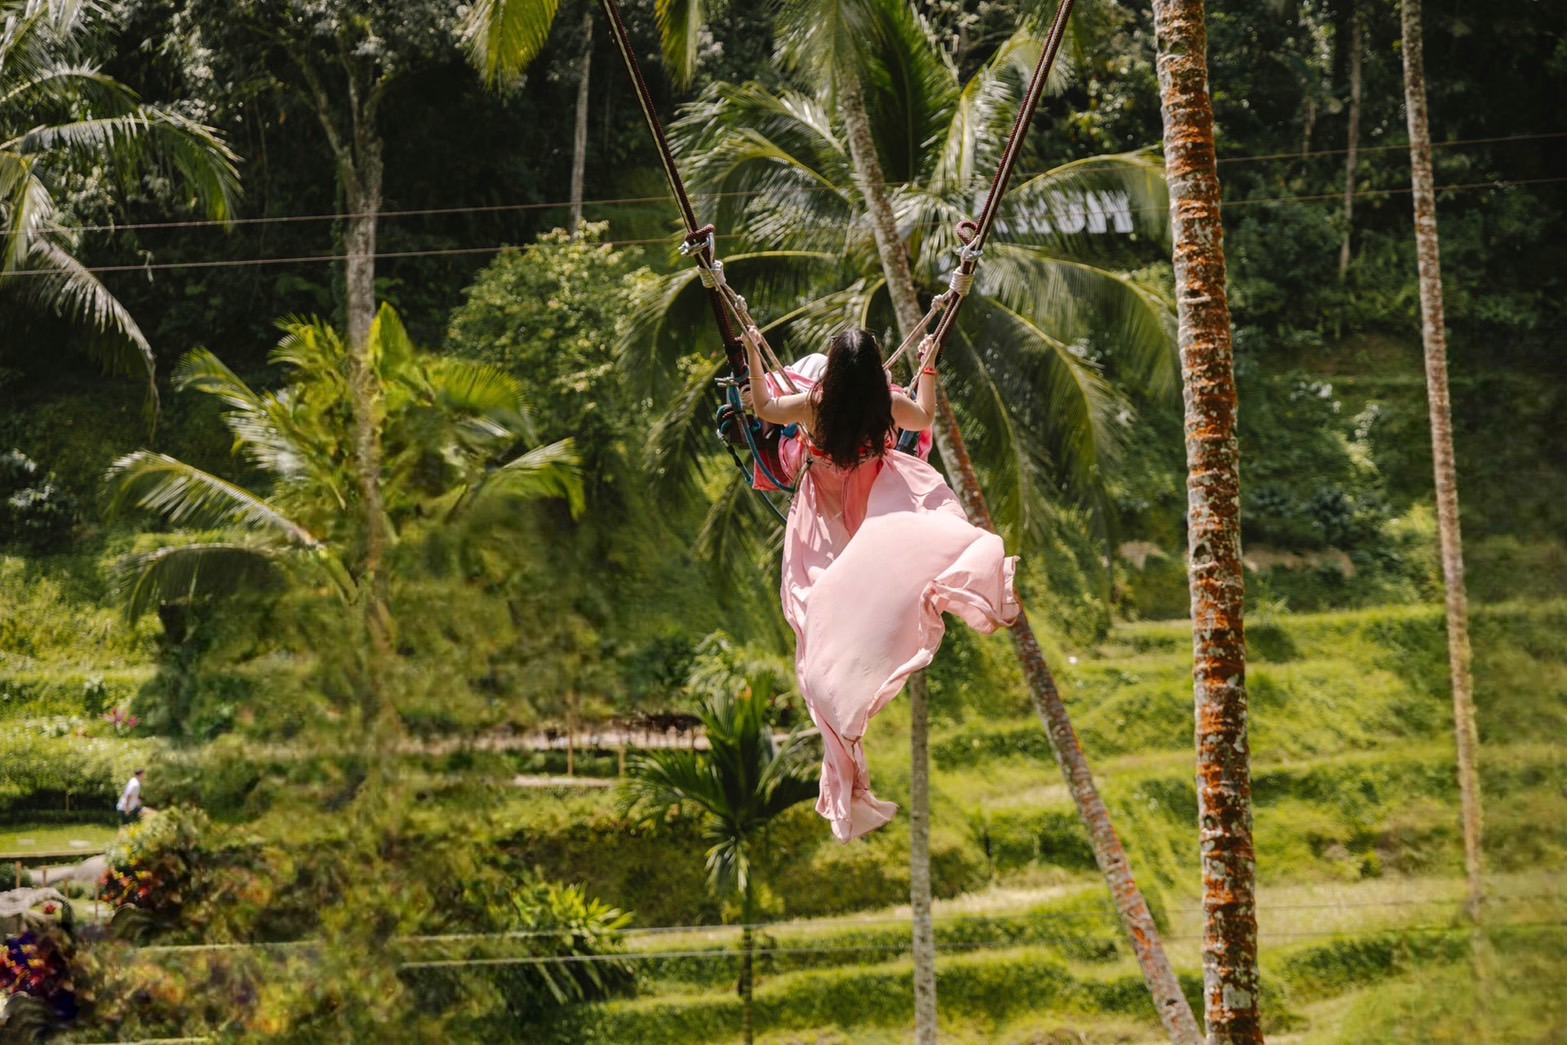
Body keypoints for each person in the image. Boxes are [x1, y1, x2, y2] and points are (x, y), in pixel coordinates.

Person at [743, 326, 1019, 842]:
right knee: (856, 600)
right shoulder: (887, 405)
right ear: (874, 375)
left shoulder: (813, 405)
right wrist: (929, 368)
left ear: (833, 370)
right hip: (874, 509)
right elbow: (926, 416)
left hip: (825, 513)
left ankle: (841, 738)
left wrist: (753, 353)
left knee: (812, 613)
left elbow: (762, 407)